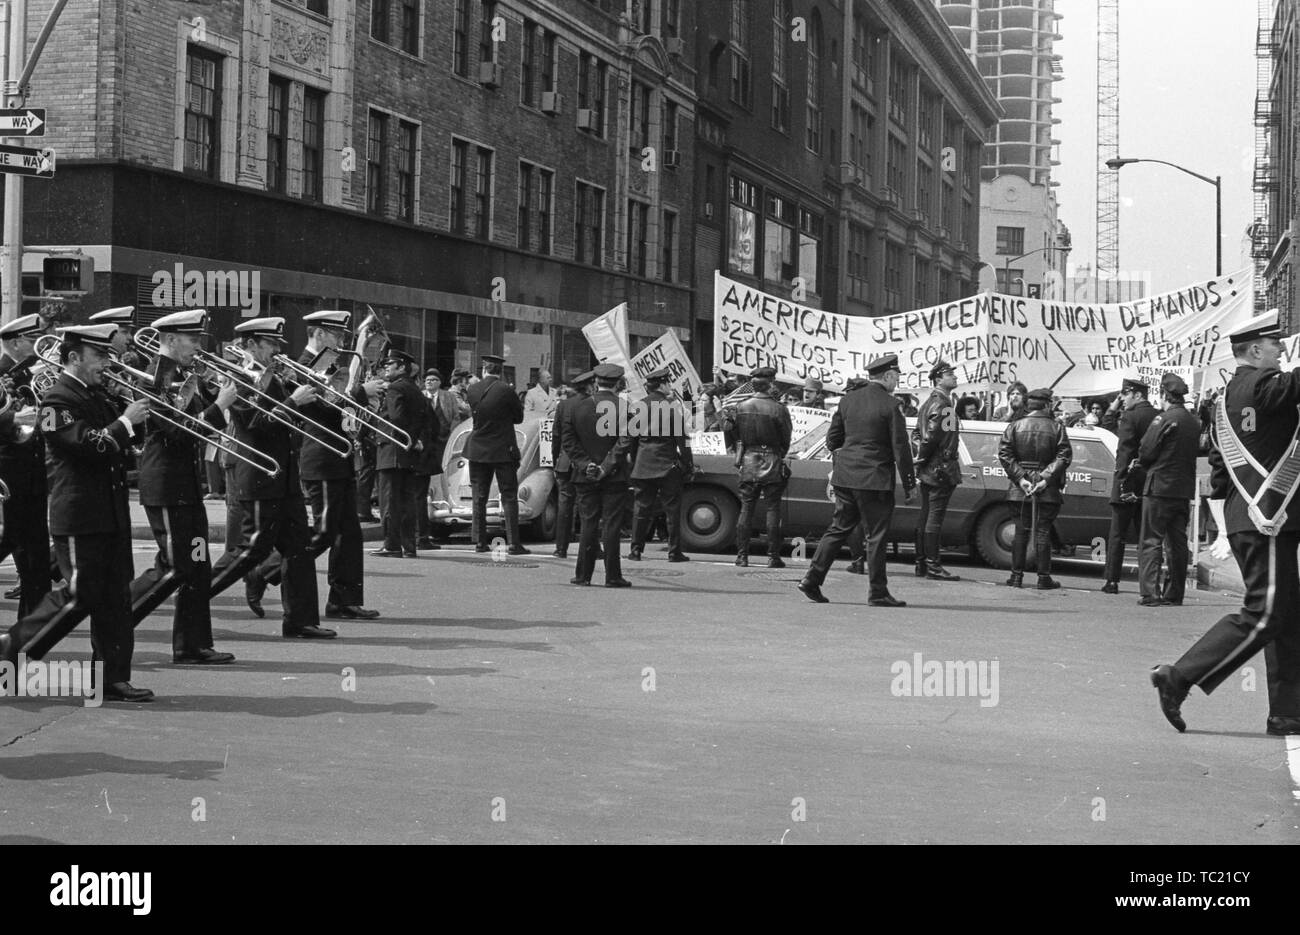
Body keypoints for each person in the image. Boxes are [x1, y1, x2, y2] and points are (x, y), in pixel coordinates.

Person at [1152, 310, 1300, 736]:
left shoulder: (1224, 399)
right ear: (1255, 351)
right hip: (1265, 518)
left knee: (1286, 616)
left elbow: (1219, 471)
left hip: (1250, 517)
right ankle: (1178, 677)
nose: (1281, 352)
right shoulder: (1264, 384)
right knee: (1265, 613)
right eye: (1276, 346)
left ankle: (1288, 712)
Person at [0, 324, 153, 702]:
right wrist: (126, 421)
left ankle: (111, 678)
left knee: (116, 598)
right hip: (79, 513)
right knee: (78, 594)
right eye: (99, 356)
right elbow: (91, 445)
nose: (107, 363)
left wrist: (134, 417)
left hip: (110, 511)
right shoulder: (57, 400)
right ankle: (10, 650)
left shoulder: (96, 395)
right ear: (73, 358)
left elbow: (128, 439)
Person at [209, 317, 335, 639]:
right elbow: (256, 423)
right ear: (251, 344)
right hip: (260, 476)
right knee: (247, 551)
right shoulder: (237, 376)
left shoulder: (272, 375)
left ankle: (301, 621)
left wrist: (303, 392)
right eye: (271, 345)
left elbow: (288, 421)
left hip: (284, 476)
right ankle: (194, 596)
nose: (277, 351)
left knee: (299, 550)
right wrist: (294, 400)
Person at [127, 309, 239, 663]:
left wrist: (214, 393)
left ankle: (192, 645)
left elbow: (200, 425)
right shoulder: (151, 378)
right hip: (165, 485)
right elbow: (176, 431)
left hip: (185, 487)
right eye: (192, 340)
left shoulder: (184, 374)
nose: (197, 347)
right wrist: (219, 406)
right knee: (174, 565)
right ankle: (116, 618)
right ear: (171, 340)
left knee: (197, 564)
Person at [257, 310, 383, 618]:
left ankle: (344, 600)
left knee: (349, 533)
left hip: (339, 456)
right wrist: (359, 392)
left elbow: (336, 406)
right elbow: (323, 404)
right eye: (337, 335)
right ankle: (263, 570)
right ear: (319, 334)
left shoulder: (332, 365)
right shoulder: (299, 365)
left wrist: (362, 404)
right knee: (325, 531)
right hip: (320, 456)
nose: (342, 342)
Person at [798, 355, 915, 605]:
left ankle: (811, 579)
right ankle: (878, 592)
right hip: (874, 478)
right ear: (887, 376)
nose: (897, 381)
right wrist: (909, 483)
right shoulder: (891, 405)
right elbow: (901, 448)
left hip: (845, 475)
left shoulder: (847, 400)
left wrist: (852, 451)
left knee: (838, 529)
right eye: (896, 377)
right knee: (876, 535)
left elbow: (833, 440)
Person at [0, 313, 52, 618]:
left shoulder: (32, 372)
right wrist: (11, 419)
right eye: (33, 340)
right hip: (7, 469)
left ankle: (34, 618)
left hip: (33, 465)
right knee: (16, 538)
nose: (39, 347)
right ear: (17, 342)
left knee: (34, 547)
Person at [1135, 373, 1200, 608]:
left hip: (1159, 488)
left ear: (1164, 395)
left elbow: (1146, 451)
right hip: (1182, 490)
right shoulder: (1193, 422)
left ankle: (1150, 593)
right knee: (1178, 543)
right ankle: (1174, 593)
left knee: (1151, 540)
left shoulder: (1163, 419)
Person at [563, 363, 632, 587]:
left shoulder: (576, 408)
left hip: (585, 476)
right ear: (618, 383)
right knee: (612, 525)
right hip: (614, 476)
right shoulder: (624, 407)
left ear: (595, 382)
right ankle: (612, 575)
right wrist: (606, 466)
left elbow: (568, 442)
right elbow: (625, 442)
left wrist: (586, 465)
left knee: (588, 524)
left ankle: (583, 574)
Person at [998, 387, 1072, 590]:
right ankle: (1043, 577)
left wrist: (1021, 478)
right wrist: (1045, 479)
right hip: (1047, 488)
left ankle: (1016, 576)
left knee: (1020, 532)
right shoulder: (1057, 428)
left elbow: (1005, 455)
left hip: (1019, 488)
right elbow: (1064, 456)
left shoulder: (1014, 426)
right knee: (1042, 532)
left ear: (1028, 405)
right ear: (1047, 405)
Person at [721, 366, 793, 568]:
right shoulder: (779, 408)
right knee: (773, 509)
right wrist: (778, 453)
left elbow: (731, 433)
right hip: (772, 458)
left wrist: (741, 449)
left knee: (746, 509)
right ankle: (773, 556)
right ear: (771, 384)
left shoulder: (740, 407)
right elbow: (786, 439)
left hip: (749, 460)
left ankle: (742, 556)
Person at [622, 367, 693, 563]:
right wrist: (688, 463)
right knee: (672, 510)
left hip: (644, 462)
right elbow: (683, 439)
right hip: (668, 463)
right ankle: (674, 552)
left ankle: (635, 550)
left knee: (641, 509)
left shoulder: (638, 406)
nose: (670, 386)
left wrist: (635, 459)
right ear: (662, 385)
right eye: (668, 383)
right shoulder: (673, 407)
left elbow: (632, 439)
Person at [1097, 376, 1158, 594]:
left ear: (1137, 394)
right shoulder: (1158, 415)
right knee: (1147, 537)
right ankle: (1149, 583)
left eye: (1125, 394)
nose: (1122, 399)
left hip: (1128, 482)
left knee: (1117, 536)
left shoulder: (1131, 416)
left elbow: (1124, 453)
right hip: (1149, 484)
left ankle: (1112, 580)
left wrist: (1122, 484)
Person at [465, 353, 527, 555]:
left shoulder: (472, 389)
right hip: (502, 448)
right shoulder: (506, 391)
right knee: (509, 496)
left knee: (479, 496)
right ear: (500, 371)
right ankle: (513, 542)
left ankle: (479, 541)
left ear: (484, 369)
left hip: (477, 448)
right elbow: (518, 418)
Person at [370, 348, 428, 559]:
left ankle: (391, 544)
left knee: (389, 501)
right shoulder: (414, 388)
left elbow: (394, 417)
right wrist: (413, 439)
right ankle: (409, 546)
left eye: (390, 364)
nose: (386, 368)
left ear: (402, 367)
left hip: (391, 449)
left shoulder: (395, 388)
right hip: (407, 450)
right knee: (406, 501)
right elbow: (425, 419)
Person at [913, 360, 962, 581]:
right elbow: (930, 436)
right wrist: (923, 457)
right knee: (934, 518)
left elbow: (917, 435)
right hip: (940, 468)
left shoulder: (929, 403)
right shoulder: (943, 404)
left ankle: (921, 563)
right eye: (950, 374)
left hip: (930, 468)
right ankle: (932, 566)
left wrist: (921, 460)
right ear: (939, 379)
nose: (955, 377)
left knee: (926, 516)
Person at [551, 370, 593, 559]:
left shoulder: (563, 406)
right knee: (588, 507)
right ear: (591, 385)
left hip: (565, 462)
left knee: (565, 506)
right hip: (586, 460)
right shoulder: (593, 404)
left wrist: (555, 461)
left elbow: (556, 436)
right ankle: (591, 546)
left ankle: (561, 548)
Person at [417, 368, 457, 549]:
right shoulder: (420, 396)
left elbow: (455, 416)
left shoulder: (448, 397)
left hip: (445, 440)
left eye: (433, 380)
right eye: (427, 380)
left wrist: (452, 435)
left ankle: (443, 497)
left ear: (440, 383)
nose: (429, 382)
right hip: (428, 444)